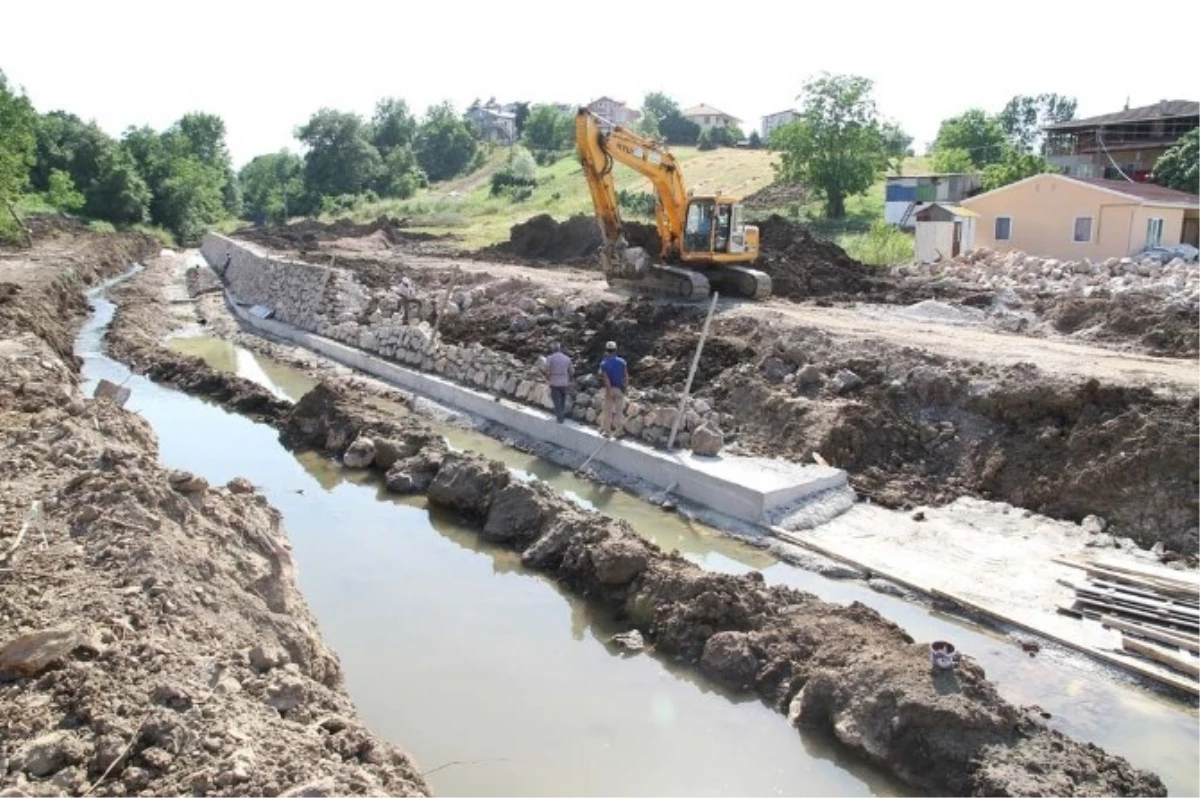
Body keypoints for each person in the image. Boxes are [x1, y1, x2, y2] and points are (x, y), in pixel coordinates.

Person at [598, 340, 628, 437]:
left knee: (608, 411)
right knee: (619, 411)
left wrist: (609, 390)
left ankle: (607, 431)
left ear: (606, 350)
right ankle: (619, 432)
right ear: (615, 350)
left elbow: (606, 379)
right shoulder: (622, 362)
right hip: (619, 389)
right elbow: (626, 376)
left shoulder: (604, 364)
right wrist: (625, 388)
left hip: (610, 389)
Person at [543, 342, 574, 423]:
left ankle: (560, 418)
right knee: (562, 400)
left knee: (556, 401)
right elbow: (572, 371)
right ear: (560, 349)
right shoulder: (567, 358)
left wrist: (548, 378)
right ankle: (562, 415)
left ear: (552, 349)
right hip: (564, 382)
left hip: (554, 382)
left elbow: (547, 371)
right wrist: (568, 379)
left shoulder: (550, 358)